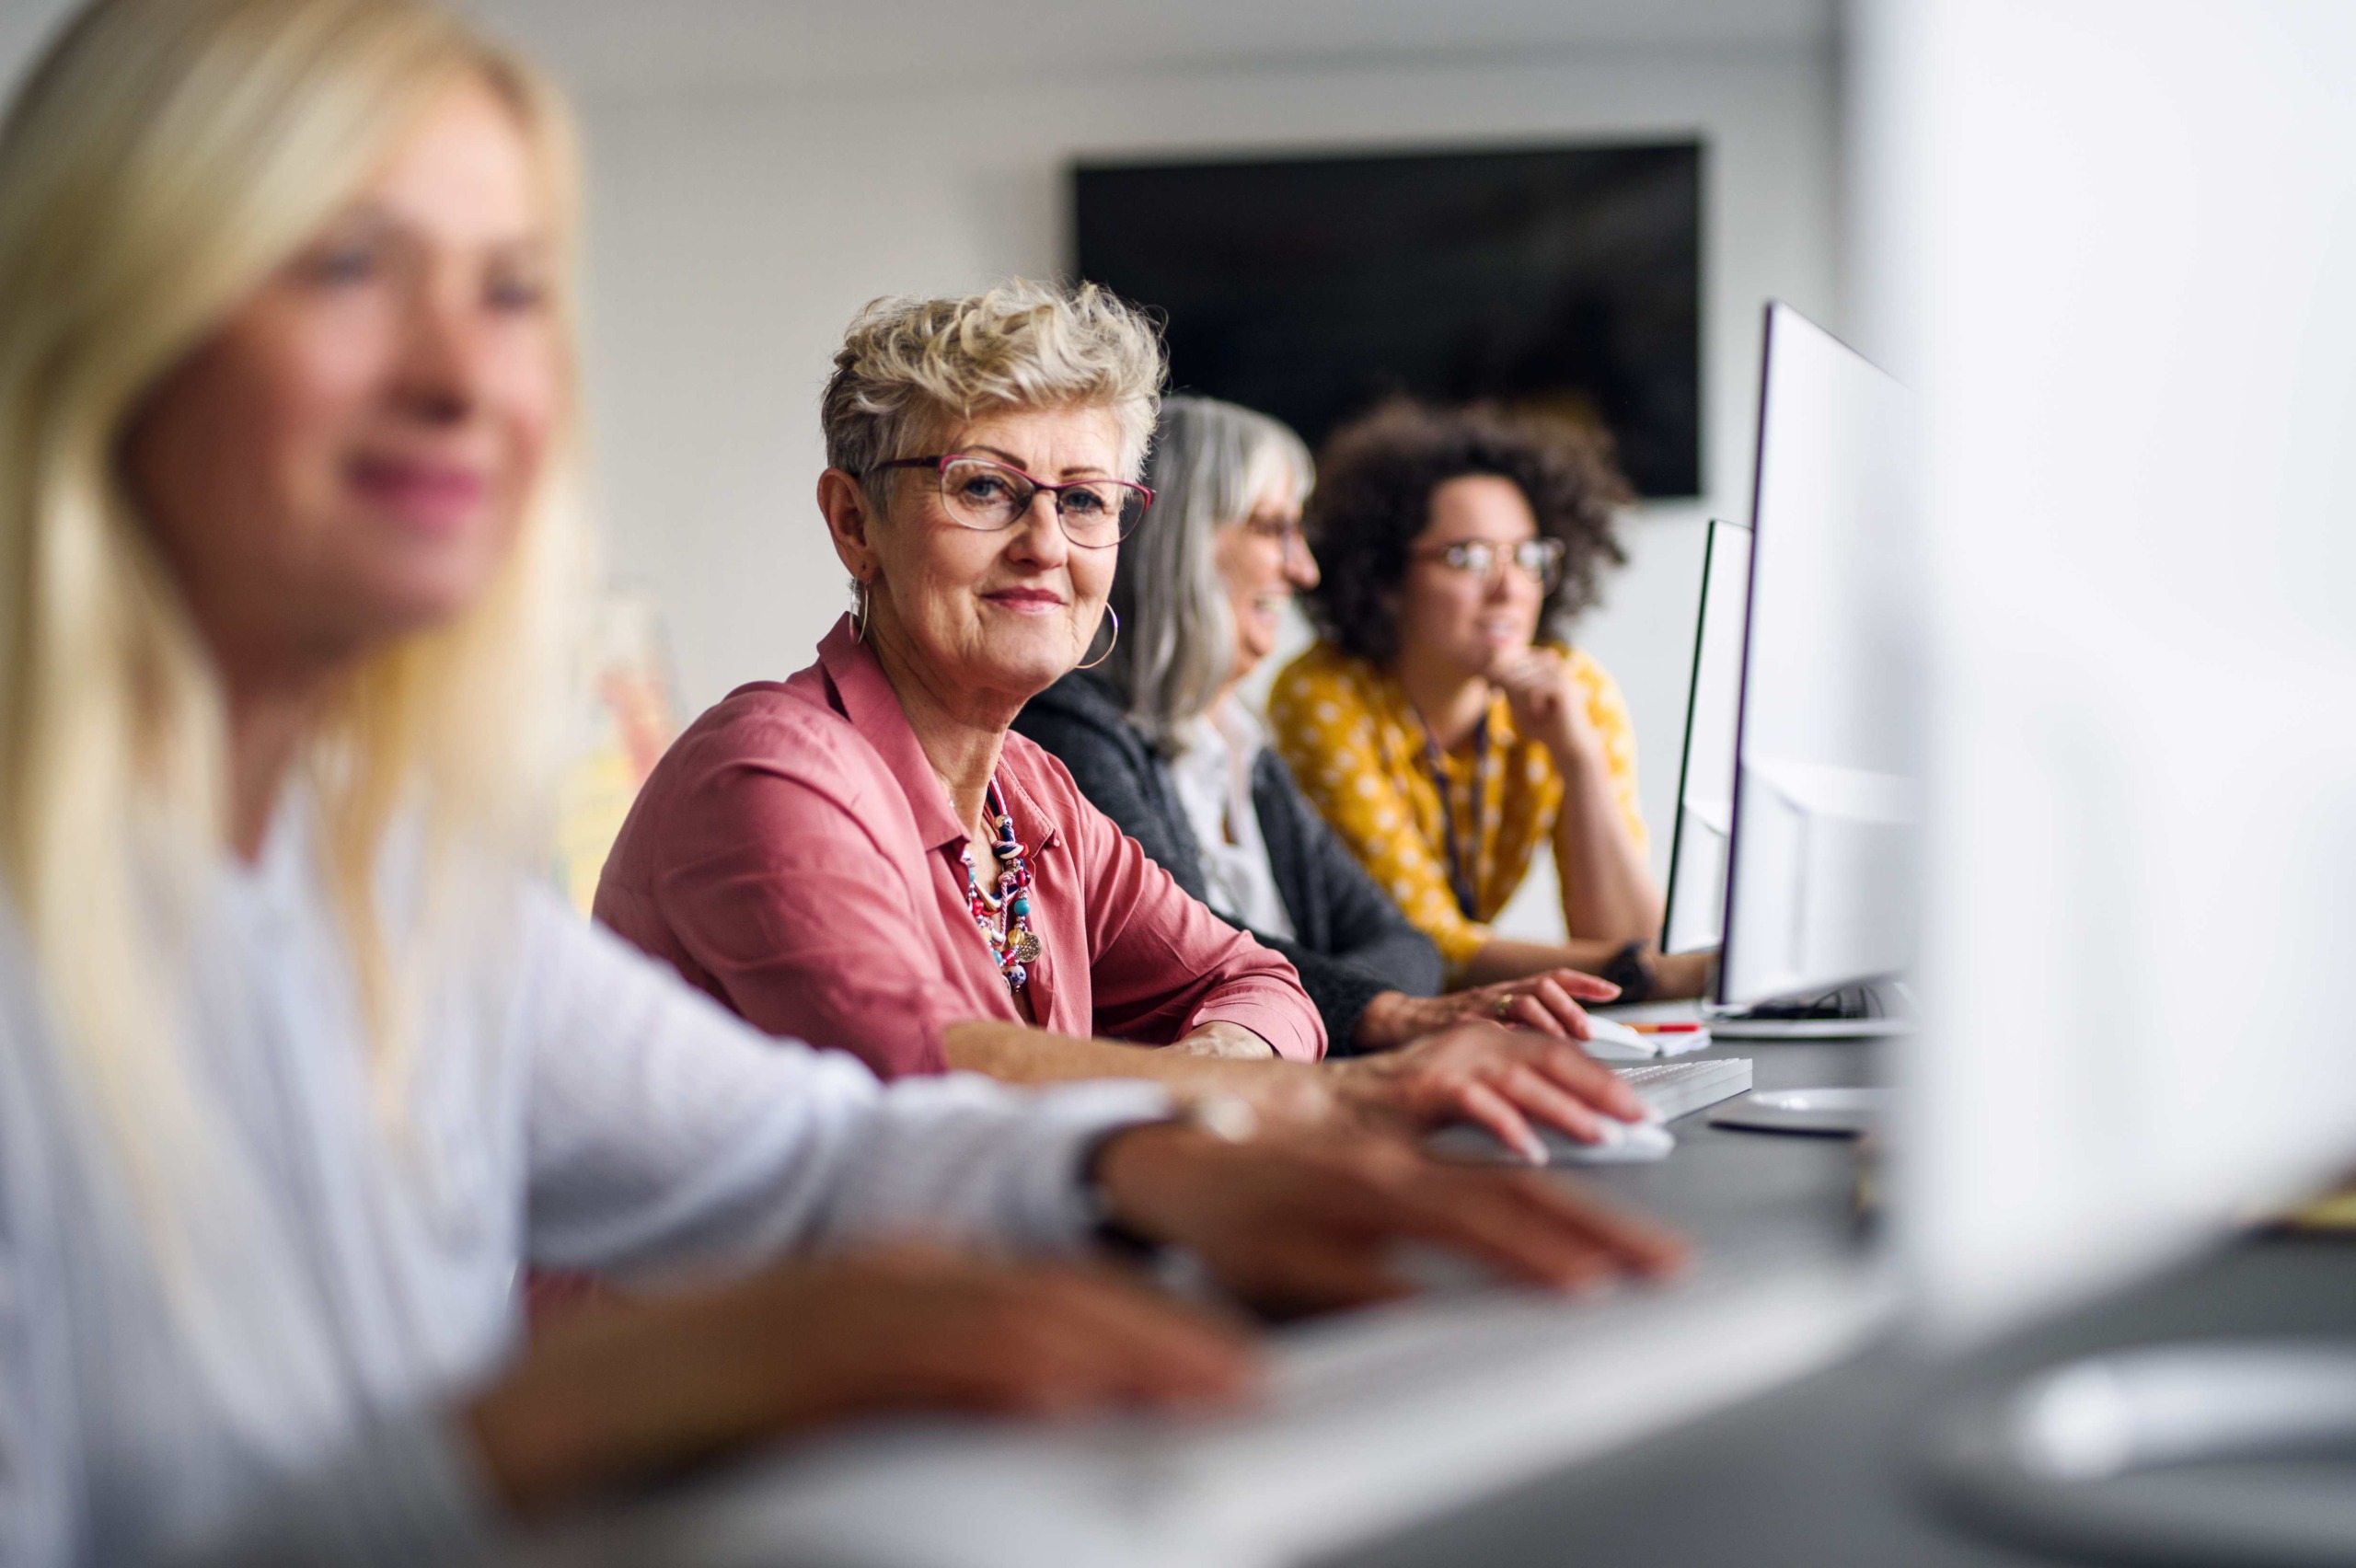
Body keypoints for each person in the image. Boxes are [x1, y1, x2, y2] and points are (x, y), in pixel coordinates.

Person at [0, 3, 1683, 1560]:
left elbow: (811, 1149)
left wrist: (1160, 1151)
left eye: (510, 291)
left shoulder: (374, 877)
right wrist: (611, 1395)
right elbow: (898, 1080)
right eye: (349, 264)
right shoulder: (763, 766)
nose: (463, 378)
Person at [596, 286, 1650, 1157]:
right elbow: (930, 1074)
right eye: (985, 488)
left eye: (1087, 499)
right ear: (852, 522)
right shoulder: (768, 774)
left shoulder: (1031, 791)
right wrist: (1327, 1097)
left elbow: (1256, 976)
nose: (1046, 543)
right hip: (727, 1389)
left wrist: (1221, 1071)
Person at [1014, 395, 1629, 1058]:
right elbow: (1192, 954)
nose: (1302, 568)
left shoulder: (1238, 744)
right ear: (1180, 543)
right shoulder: (1072, 725)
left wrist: (1352, 1005)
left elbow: (1407, 946)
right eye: (1272, 527)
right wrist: (1379, 1011)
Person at [1268, 399, 1712, 1001]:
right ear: (1387, 579)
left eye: (1528, 557)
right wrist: (1682, 973)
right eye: (1468, 558)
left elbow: (1627, 939)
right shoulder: (1322, 697)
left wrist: (1578, 762)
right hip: (1334, 1016)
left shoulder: (1573, 691)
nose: (1509, 589)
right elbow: (1426, 943)